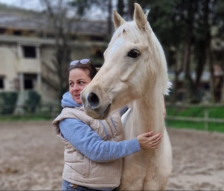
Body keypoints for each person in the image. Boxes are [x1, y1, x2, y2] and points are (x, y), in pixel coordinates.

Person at [52, 59, 163, 191]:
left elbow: (134, 98)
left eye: (80, 82)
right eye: (71, 84)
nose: (75, 88)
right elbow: (97, 151)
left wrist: (159, 99)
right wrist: (137, 144)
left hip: (110, 186)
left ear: (95, 83)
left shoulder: (106, 107)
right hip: (81, 187)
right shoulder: (68, 118)